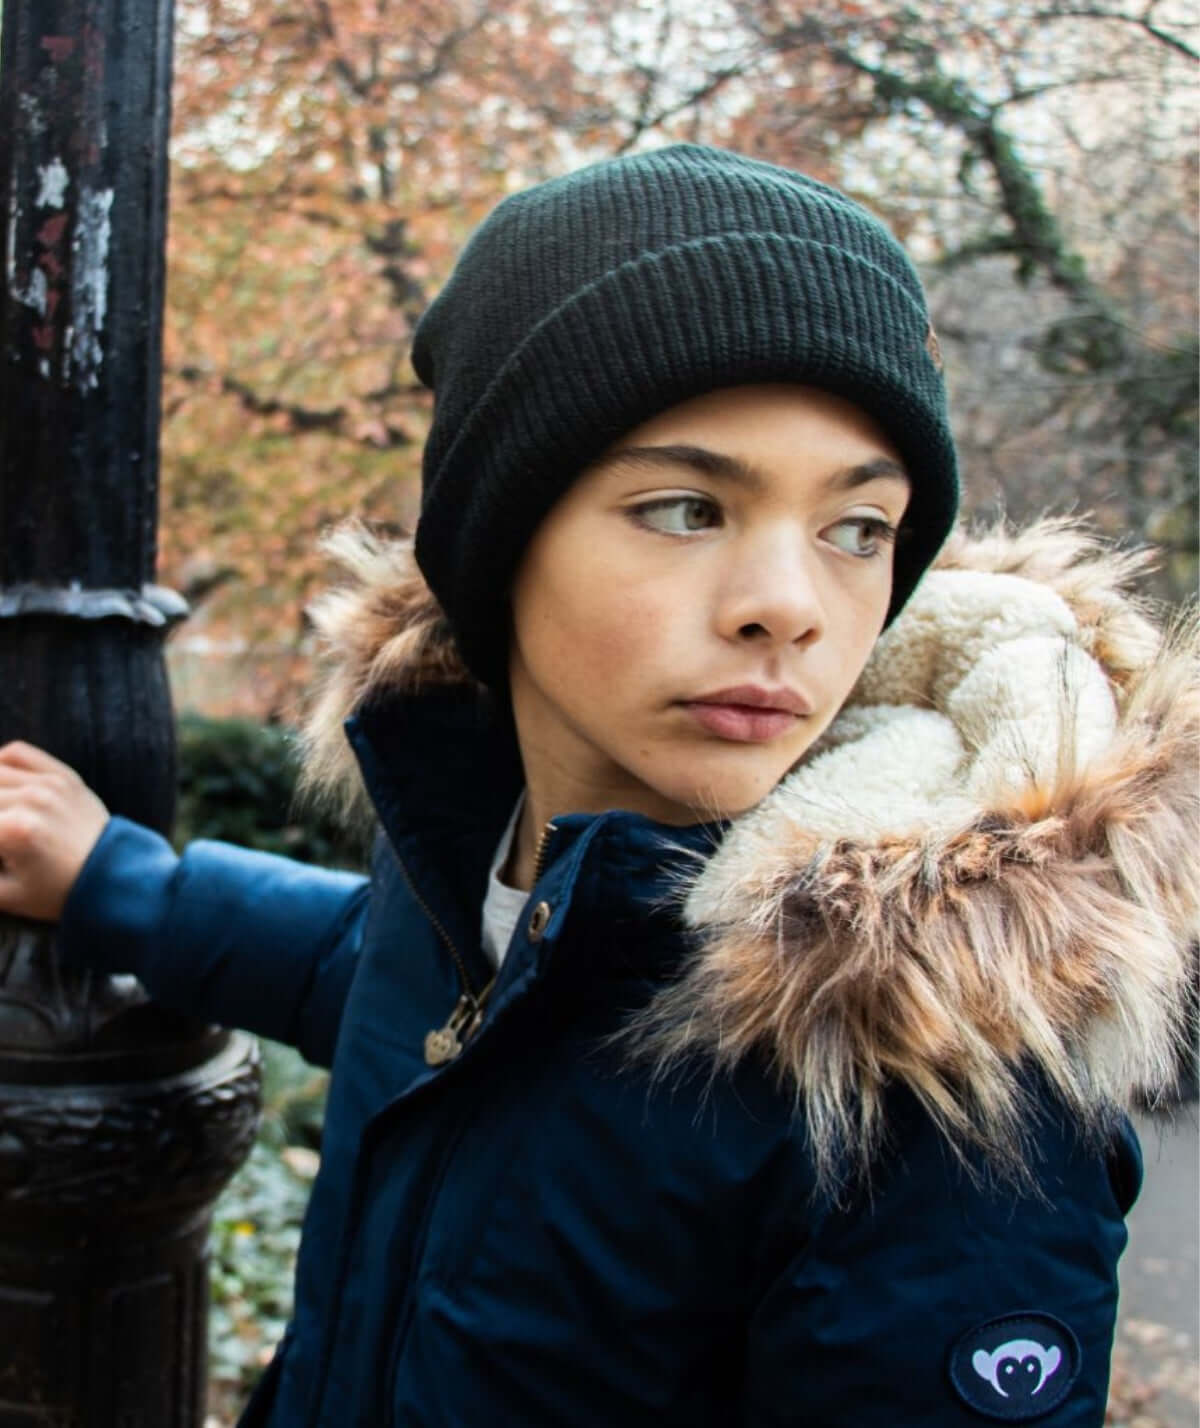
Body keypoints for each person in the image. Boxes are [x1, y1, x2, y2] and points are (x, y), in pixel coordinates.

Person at [0, 144, 1195, 1427]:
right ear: (497, 539)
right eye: (686, 508)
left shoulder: (929, 1075)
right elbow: (413, 987)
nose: (789, 607)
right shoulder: (478, 827)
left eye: (859, 529)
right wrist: (122, 882)